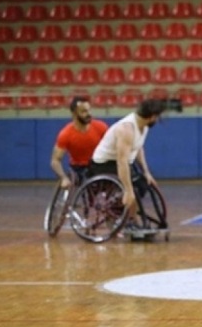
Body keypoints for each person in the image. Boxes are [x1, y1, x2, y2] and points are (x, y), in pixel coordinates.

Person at [89, 99, 165, 228]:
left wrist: (146, 172)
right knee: (132, 189)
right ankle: (131, 219)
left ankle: (119, 208)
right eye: (157, 117)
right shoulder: (126, 129)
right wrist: (128, 190)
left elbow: (138, 147)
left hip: (121, 162)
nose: (157, 120)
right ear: (152, 117)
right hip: (103, 164)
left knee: (142, 184)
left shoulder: (143, 126)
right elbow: (122, 161)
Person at [50, 96, 108, 189]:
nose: (89, 114)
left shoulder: (101, 127)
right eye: (84, 111)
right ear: (74, 114)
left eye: (89, 110)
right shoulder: (66, 134)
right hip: (79, 168)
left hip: (99, 165)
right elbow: (55, 160)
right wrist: (63, 178)